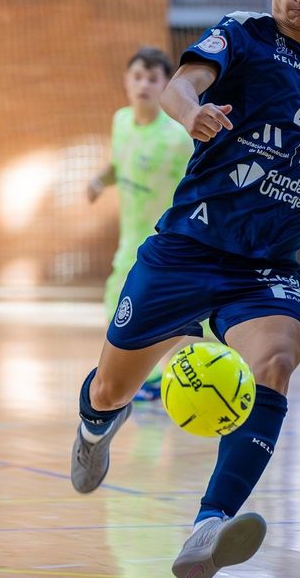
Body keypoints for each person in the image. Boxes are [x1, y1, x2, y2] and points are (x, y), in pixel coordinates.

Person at [69, 0, 300, 578]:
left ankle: (209, 526)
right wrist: (193, 113)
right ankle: (96, 424)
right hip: (186, 249)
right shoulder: (241, 35)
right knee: (109, 388)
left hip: (265, 267)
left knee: (277, 360)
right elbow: (182, 86)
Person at [86, 47, 195, 401]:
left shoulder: (178, 137)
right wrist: (101, 181)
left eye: (153, 78)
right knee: (114, 307)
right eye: (137, 76)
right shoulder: (120, 121)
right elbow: (121, 163)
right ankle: (142, 379)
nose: (144, 84)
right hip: (129, 242)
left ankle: (157, 379)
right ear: (126, 81)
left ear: (166, 86)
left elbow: (199, 181)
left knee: (170, 317)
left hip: (166, 244)